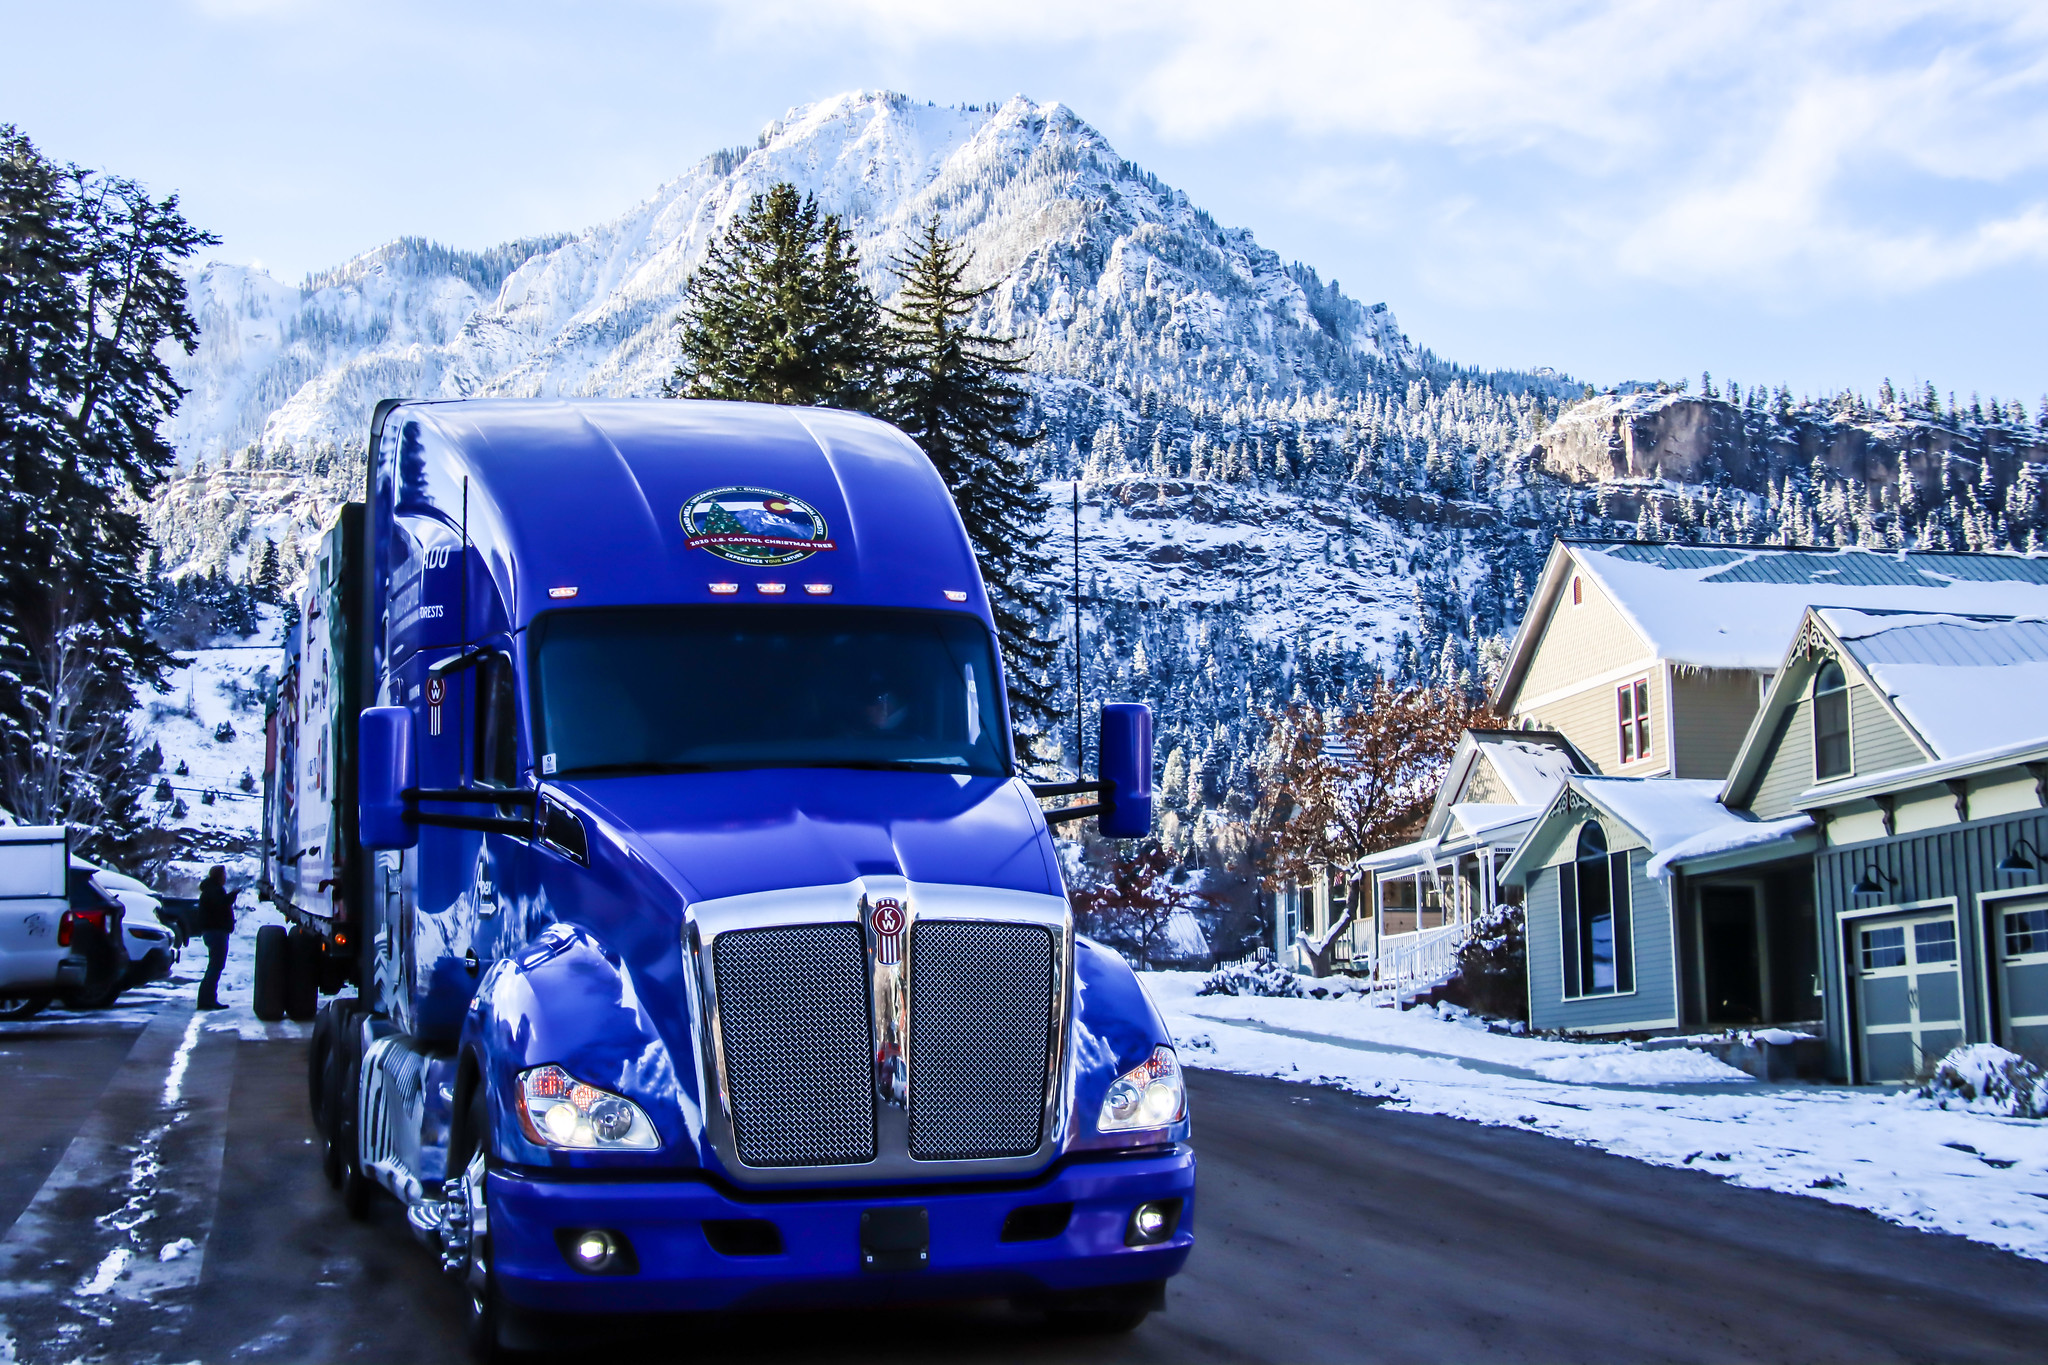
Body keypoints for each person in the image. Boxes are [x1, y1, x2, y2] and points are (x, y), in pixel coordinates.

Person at [196, 866, 237, 1011]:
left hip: (213, 932)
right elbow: (220, 905)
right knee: (215, 966)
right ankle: (206, 1000)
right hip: (216, 933)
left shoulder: (210, 890)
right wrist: (231, 896)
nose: (225, 877)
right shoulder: (213, 890)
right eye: (224, 874)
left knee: (215, 966)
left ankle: (208, 999)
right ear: (219, 876)